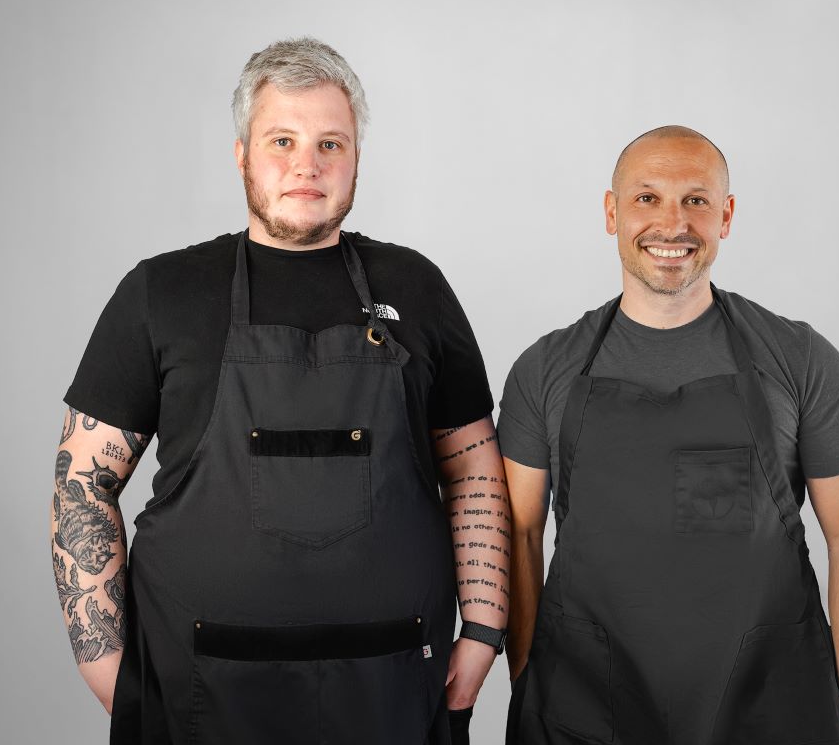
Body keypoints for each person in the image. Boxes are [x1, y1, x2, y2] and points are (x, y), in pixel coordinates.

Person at [51, 37, 510, 745]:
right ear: (242, 155)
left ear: (356, 158)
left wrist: (481, 633)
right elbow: (82, 484)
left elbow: (474, 467)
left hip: (392, 690)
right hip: (202, 695)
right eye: (282, 140)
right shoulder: (162, 292)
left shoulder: (416, 287)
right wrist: (109, 668)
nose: (307, 164)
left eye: (331, 143)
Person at [501, 126, 839, 744]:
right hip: (587, 710)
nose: (672, 224)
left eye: (696, 200)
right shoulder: (545, 369)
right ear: (612, 213)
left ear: (726, 216)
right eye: (647, 198)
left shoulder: (800, 359)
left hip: (768, 709)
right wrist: (530, 684)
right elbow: (519, 534)